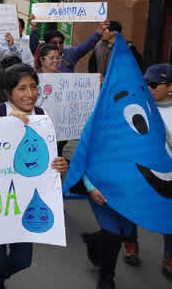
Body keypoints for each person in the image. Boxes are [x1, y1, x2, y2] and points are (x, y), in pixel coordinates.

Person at [0, 63, 69, 289]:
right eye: (22, 88)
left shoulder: (42, 115)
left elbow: (45, 157)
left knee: (22, 259)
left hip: (27, 200)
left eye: (33, 87)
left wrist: (58, 164)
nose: (30, 94)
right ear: (9, 92)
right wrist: (10, 121)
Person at [119, 63, 172, 276]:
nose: (148, 87)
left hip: (168, 174)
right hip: (138, 170)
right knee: (132, 206)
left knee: (168, 213)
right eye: (146, 83)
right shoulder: (138, 105)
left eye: (154, 84)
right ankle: (131, 243)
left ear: (170, 86)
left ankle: (169, 256)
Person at [28, 16, 110, 73]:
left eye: (60, 42)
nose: (58, 45)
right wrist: (34, 28)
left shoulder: (70, 54)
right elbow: (34, 45)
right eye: (54, 43)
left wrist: (100, 29)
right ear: (42, 60)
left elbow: (86, 46)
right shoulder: (41, 53)